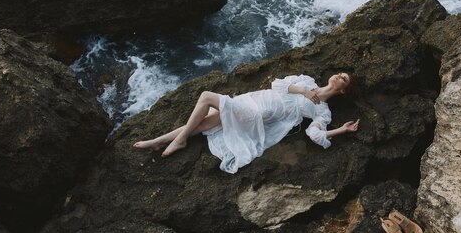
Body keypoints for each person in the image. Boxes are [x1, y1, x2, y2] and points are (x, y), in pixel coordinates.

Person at [134, 72, 360, 173]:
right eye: (340, 73)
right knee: (204, 123)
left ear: (343, 91)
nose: (339, 76)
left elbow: (315, 135)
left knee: (206, 97)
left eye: (344, 79)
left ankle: (180, 140)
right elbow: (277, 85)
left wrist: (340, 129)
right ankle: (157, 141)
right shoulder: (306, 81)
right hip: (253, 99)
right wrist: (302, 90)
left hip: (261, 113)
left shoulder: (323, 112)